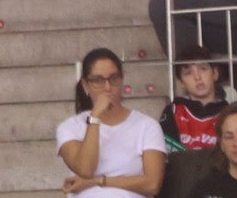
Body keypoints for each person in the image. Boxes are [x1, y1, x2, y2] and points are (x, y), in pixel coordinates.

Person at [56, 48, 166, 198]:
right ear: (86, 85)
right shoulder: (70, 127)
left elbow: (152, 185)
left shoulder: (147, 126)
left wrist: (98, 181)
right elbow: (85, 169)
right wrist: (95, 118)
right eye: (98, 81)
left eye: (114, 78)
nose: (107, 88)